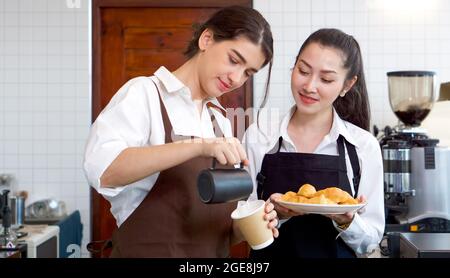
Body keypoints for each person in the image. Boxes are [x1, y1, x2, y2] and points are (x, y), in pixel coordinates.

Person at [83, 6, 278, 258]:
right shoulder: (145, 94)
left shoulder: (220, 121)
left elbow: (218, 232)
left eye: (248, 73)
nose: (236, 78)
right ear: (206, 39)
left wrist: (253, 224)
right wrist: (197, 145)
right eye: (234, 60)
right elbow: (104, 172)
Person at [243, 28, 385, 258]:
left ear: (347, 85)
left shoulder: (363, 146)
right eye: (303, 70)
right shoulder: (259, 136)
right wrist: (275, 215)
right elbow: (241, 226)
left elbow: (370, 241)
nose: (310, 86)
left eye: (326, 79)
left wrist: (347, 222)